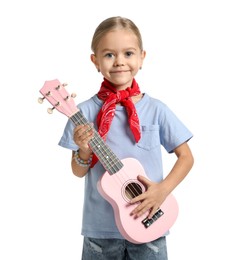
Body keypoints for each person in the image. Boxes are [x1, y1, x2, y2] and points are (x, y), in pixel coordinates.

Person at [58, 16, 194, 260]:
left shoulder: (156, 110)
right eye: (109, 54)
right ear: (95, 61)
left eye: (128, 53)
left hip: (150, 223)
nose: (120, 62)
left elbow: (186, 157)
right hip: (100, 230)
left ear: (142, 57)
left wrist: (162, 190)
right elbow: (78, 172)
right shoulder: (83, 113)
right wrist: (84, 150)